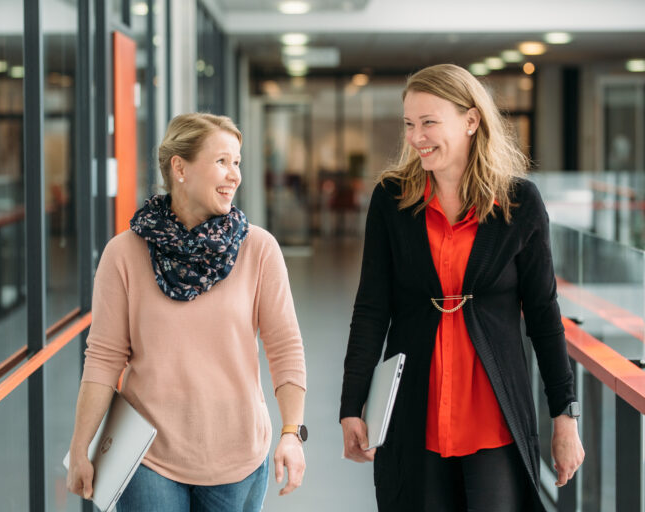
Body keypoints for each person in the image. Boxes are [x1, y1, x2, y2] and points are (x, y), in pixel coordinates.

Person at [339, 64, 584, 511]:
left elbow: (546, 318)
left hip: (495, 420)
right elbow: (371, 310)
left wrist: (564, 416)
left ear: (471, 121)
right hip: (416, 414)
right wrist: (351, 405)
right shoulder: (391, 201)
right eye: (410, 124)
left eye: (429, 122)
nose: (416, 138)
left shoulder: (519, 203)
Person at [66, 113, 307, 511]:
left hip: (239, 458)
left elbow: (285, 348)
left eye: (238, 162)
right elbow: (104, 358)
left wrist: (291, 433)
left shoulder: (259, 250)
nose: (235, 175)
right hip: (149, 456)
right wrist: (80, 446)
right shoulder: (125, 254)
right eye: (222, 161)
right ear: (180, 167)